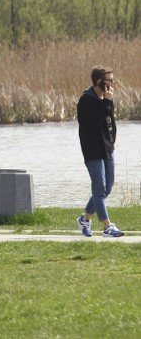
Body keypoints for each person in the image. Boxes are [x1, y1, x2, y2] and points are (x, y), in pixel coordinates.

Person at [76, 65, 124, 237]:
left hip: (107, 148)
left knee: (108, 187)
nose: (112, 83)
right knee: (99, 189)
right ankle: (107, 226)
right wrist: (108, 102)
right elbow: (97, 121)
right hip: (93, 150)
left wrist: (112, 142)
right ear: (98, 82)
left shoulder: (105, 99)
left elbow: (110, 122)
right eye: (109, 80)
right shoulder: (86, 101)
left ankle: (85, 218)